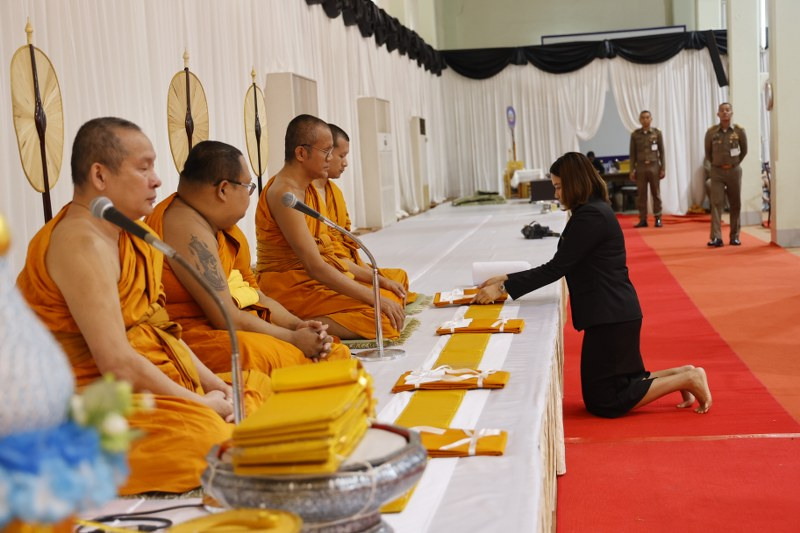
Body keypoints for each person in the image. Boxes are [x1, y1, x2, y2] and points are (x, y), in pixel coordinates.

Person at [16, 117, 272, 494]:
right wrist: (200, 405)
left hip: (148, 380)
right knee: (209, 439)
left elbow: (161, 331)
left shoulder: (133, 235)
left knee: (252, 387)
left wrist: (216, 386)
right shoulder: (80, 243)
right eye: (144, 168)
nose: (157, 180)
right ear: (100, 176)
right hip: (86, 399)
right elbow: (116, 362)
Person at [474, 152, 712, 418]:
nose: (556, 194)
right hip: (614, 312)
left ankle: (687, 378)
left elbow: (557, 267)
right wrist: (505, 278)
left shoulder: (591, 216)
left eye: (559, 187)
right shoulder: (591, 210)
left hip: (612, 315)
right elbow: (561, 264)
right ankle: (683, 374)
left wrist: (504, 288)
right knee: (618, 386)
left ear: (574, 184)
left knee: (605, 401)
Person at [145, 140, 351, 375]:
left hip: (232, 324)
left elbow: (255, 294)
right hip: (189, 336)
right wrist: (292, 339)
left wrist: (297, 325)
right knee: (267, 354)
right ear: (223, 189)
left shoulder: (223, 230)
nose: (249, 195)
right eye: (248, 187)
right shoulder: (186, 228)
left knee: (326, 352)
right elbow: (226, 317)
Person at [255, 114, 405, 340]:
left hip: (314, 282)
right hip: (290, 288)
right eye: (326, 151)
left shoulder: (309, 190)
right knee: (382, 319)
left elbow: (329, 256)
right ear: (301, 153)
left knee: (391, 297)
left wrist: (378, 285)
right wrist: (374, 298)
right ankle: (287, 321)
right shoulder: (285, 195)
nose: (331, 158)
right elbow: (315, 266)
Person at [309, 123, 413, 304]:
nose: (345, 163)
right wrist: (378, 282)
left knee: (398, 278)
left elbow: (348, 248)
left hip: (348, 267)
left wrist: (376, 278)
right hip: (329, 273)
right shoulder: (303, 195)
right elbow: (325, 259)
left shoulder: (334, 192)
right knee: (384, 300)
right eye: (341, 155)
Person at [705, 102, 747, 247]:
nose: (725, 112)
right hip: (717, 171)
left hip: (734, 171)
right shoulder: (711, 132)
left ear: (731, 113)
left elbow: (744, 151)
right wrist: (717, 164)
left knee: (735, 203)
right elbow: (708, 153)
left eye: (728, 110)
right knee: (716, 203)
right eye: (722, 110)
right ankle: (716, 237)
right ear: (718, 114)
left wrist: (734, 163)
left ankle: (735, 236)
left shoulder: (739, 131)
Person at [629, 110, 665, 228]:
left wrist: (663, 168)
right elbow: (632, 154)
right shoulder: (635, 135)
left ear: (651, 119)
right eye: (643, 118)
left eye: (647, 117)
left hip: (654, 166)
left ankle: (658, 218)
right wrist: (631, 170)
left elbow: (662, 152)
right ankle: (643, 219)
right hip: (640, 167)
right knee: (641, 195)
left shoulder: (657, 133)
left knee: (656, 193)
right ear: (640, 120)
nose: (645, 120)